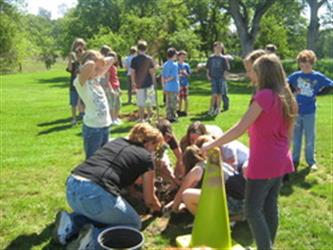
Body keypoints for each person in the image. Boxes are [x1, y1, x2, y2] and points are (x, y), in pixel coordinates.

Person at [201, 54, 298, 250]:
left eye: (252, 70)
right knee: (270, 206)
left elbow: (240, 128)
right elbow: (290, 134)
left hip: (263, 161)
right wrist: (281, 155)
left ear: (263, 74)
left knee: (252, 210)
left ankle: (265, 248)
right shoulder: (287, 96)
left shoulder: (264, 96)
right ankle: (268, 245)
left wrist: (211, 145)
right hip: (281, 160)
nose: (249, 73)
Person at [52, 123, 163, 249]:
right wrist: (158, 208)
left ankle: (71, 223)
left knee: (100, 212)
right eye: (155, 147)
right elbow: (150, 200)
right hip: (95, 192)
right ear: (149, 143)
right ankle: (92, 239)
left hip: (72, 187)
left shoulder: (117, 142)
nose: (154, 151)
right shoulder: (146, 158)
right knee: (133, 224)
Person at [168, 145, 246, 222]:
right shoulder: (217, 162)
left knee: (186, 195)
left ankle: (210, 222)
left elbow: (181, 192)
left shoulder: (197, 169)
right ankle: (236, 217)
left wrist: (174, 210)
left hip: (234, 203)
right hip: (246, 200)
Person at [288, 49, 333, 171]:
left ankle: (310, 161)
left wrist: (318, 93)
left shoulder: (317, 76)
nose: (304, 67)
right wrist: (293, 92)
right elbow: (286, 85)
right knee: (296, 137)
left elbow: (330, 84)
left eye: (307, 65)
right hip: (296, 111)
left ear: (312, 63)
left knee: (310, 137)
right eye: (302, 65)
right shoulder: (295, 76)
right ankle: (295, 159)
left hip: (310, 112)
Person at [74, 50, 114, 159]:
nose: (98, 72)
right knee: (93, 160)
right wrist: (93, 62)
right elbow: (90, 65)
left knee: (104, 159)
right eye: (95, 69)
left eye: (99, 70)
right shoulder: (80, 82)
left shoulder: (96, 79)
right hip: (93, 129)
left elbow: (111, 59)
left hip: (104, 126)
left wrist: (99, 62)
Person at [130, 40, 156, 122]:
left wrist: (133, 82)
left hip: (139, 83)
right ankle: (149, 117)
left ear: (138, 49)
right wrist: (154, 81)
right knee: (149, 101)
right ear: (146, 49)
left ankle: (141, 118)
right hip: (148, 82)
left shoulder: (134, 59)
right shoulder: (149, 59)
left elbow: (132, 72)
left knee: (140, 102)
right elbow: (152, 72)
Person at [206, 41, 230, 115]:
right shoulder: (211, 58)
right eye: (217, 47)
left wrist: (224, 76)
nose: (218, 49)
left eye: (220, 47)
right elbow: (208, 68)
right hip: (213, 77)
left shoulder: (223, 58)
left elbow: (226, 69)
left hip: (220, 78)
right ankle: (211, 108)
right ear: (214, 48)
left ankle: (218, 108)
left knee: (219, 94)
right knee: (214, 94)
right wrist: (207, 75)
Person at [67, 38, 86, 125]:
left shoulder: (85, 58)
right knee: (73, 102)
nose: (80, 47)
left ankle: (84, 115)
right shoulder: (73, 59)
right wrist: (70, 59)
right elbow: (70, 69)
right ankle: (74, 118)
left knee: (84, 101)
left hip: (83, 83)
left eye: (81, 45)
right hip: (74, 83)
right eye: (78, 45)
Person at [162, 48, 180, 122]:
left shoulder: (165, 64)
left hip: (167, 86)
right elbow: (173, 76)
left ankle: (168, 115)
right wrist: (167, 80)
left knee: (168, 102)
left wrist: (164, 84)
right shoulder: (174, 65)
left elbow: (162, 75)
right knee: (174, 102)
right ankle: (173, 116)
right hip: (173, 86)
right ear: (173, 55)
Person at [108, 51, 122, 125]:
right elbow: (107, 80)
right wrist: (110, 89)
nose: (116, 59)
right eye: (115, 57)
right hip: (111, 88)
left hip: (116, 87)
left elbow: (116, 78)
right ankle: (112, 119)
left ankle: (116, 118)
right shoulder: (108, 68)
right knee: (112, 104)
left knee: (118, 104)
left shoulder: (114, 67)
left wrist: (119, 88)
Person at [177, 50, 191, 116]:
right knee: (179, 97)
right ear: (178, 57)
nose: (183, 58)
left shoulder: (186, 65)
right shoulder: (176, 65)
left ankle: (185, 110)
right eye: (182, 56)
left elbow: (189, 74)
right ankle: (179, 110)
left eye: (184, 57)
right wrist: (179, 74)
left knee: (186, 97)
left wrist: (186, 73)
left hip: (185, 83)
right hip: (179, 83)